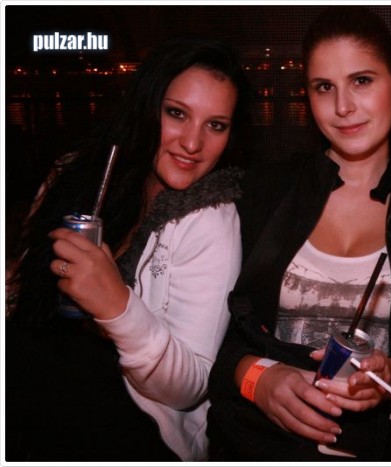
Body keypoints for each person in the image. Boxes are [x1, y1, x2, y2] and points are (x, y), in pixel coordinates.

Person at [207, 6, 391, 462]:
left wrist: (389, 379)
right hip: (263, 447)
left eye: (361, 81)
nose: (343, 106)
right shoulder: (267, 191)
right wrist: (259, 380)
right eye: (324, 87)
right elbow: (214, 342)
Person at [5, 37, 252, 461]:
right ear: (146, 107)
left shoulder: (211, 219)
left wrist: (116, 306)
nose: (192, 143)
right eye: (177, 113)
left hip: (131, 421)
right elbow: (21, 285)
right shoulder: (77, 174)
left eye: (215, 125)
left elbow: (190, 387)